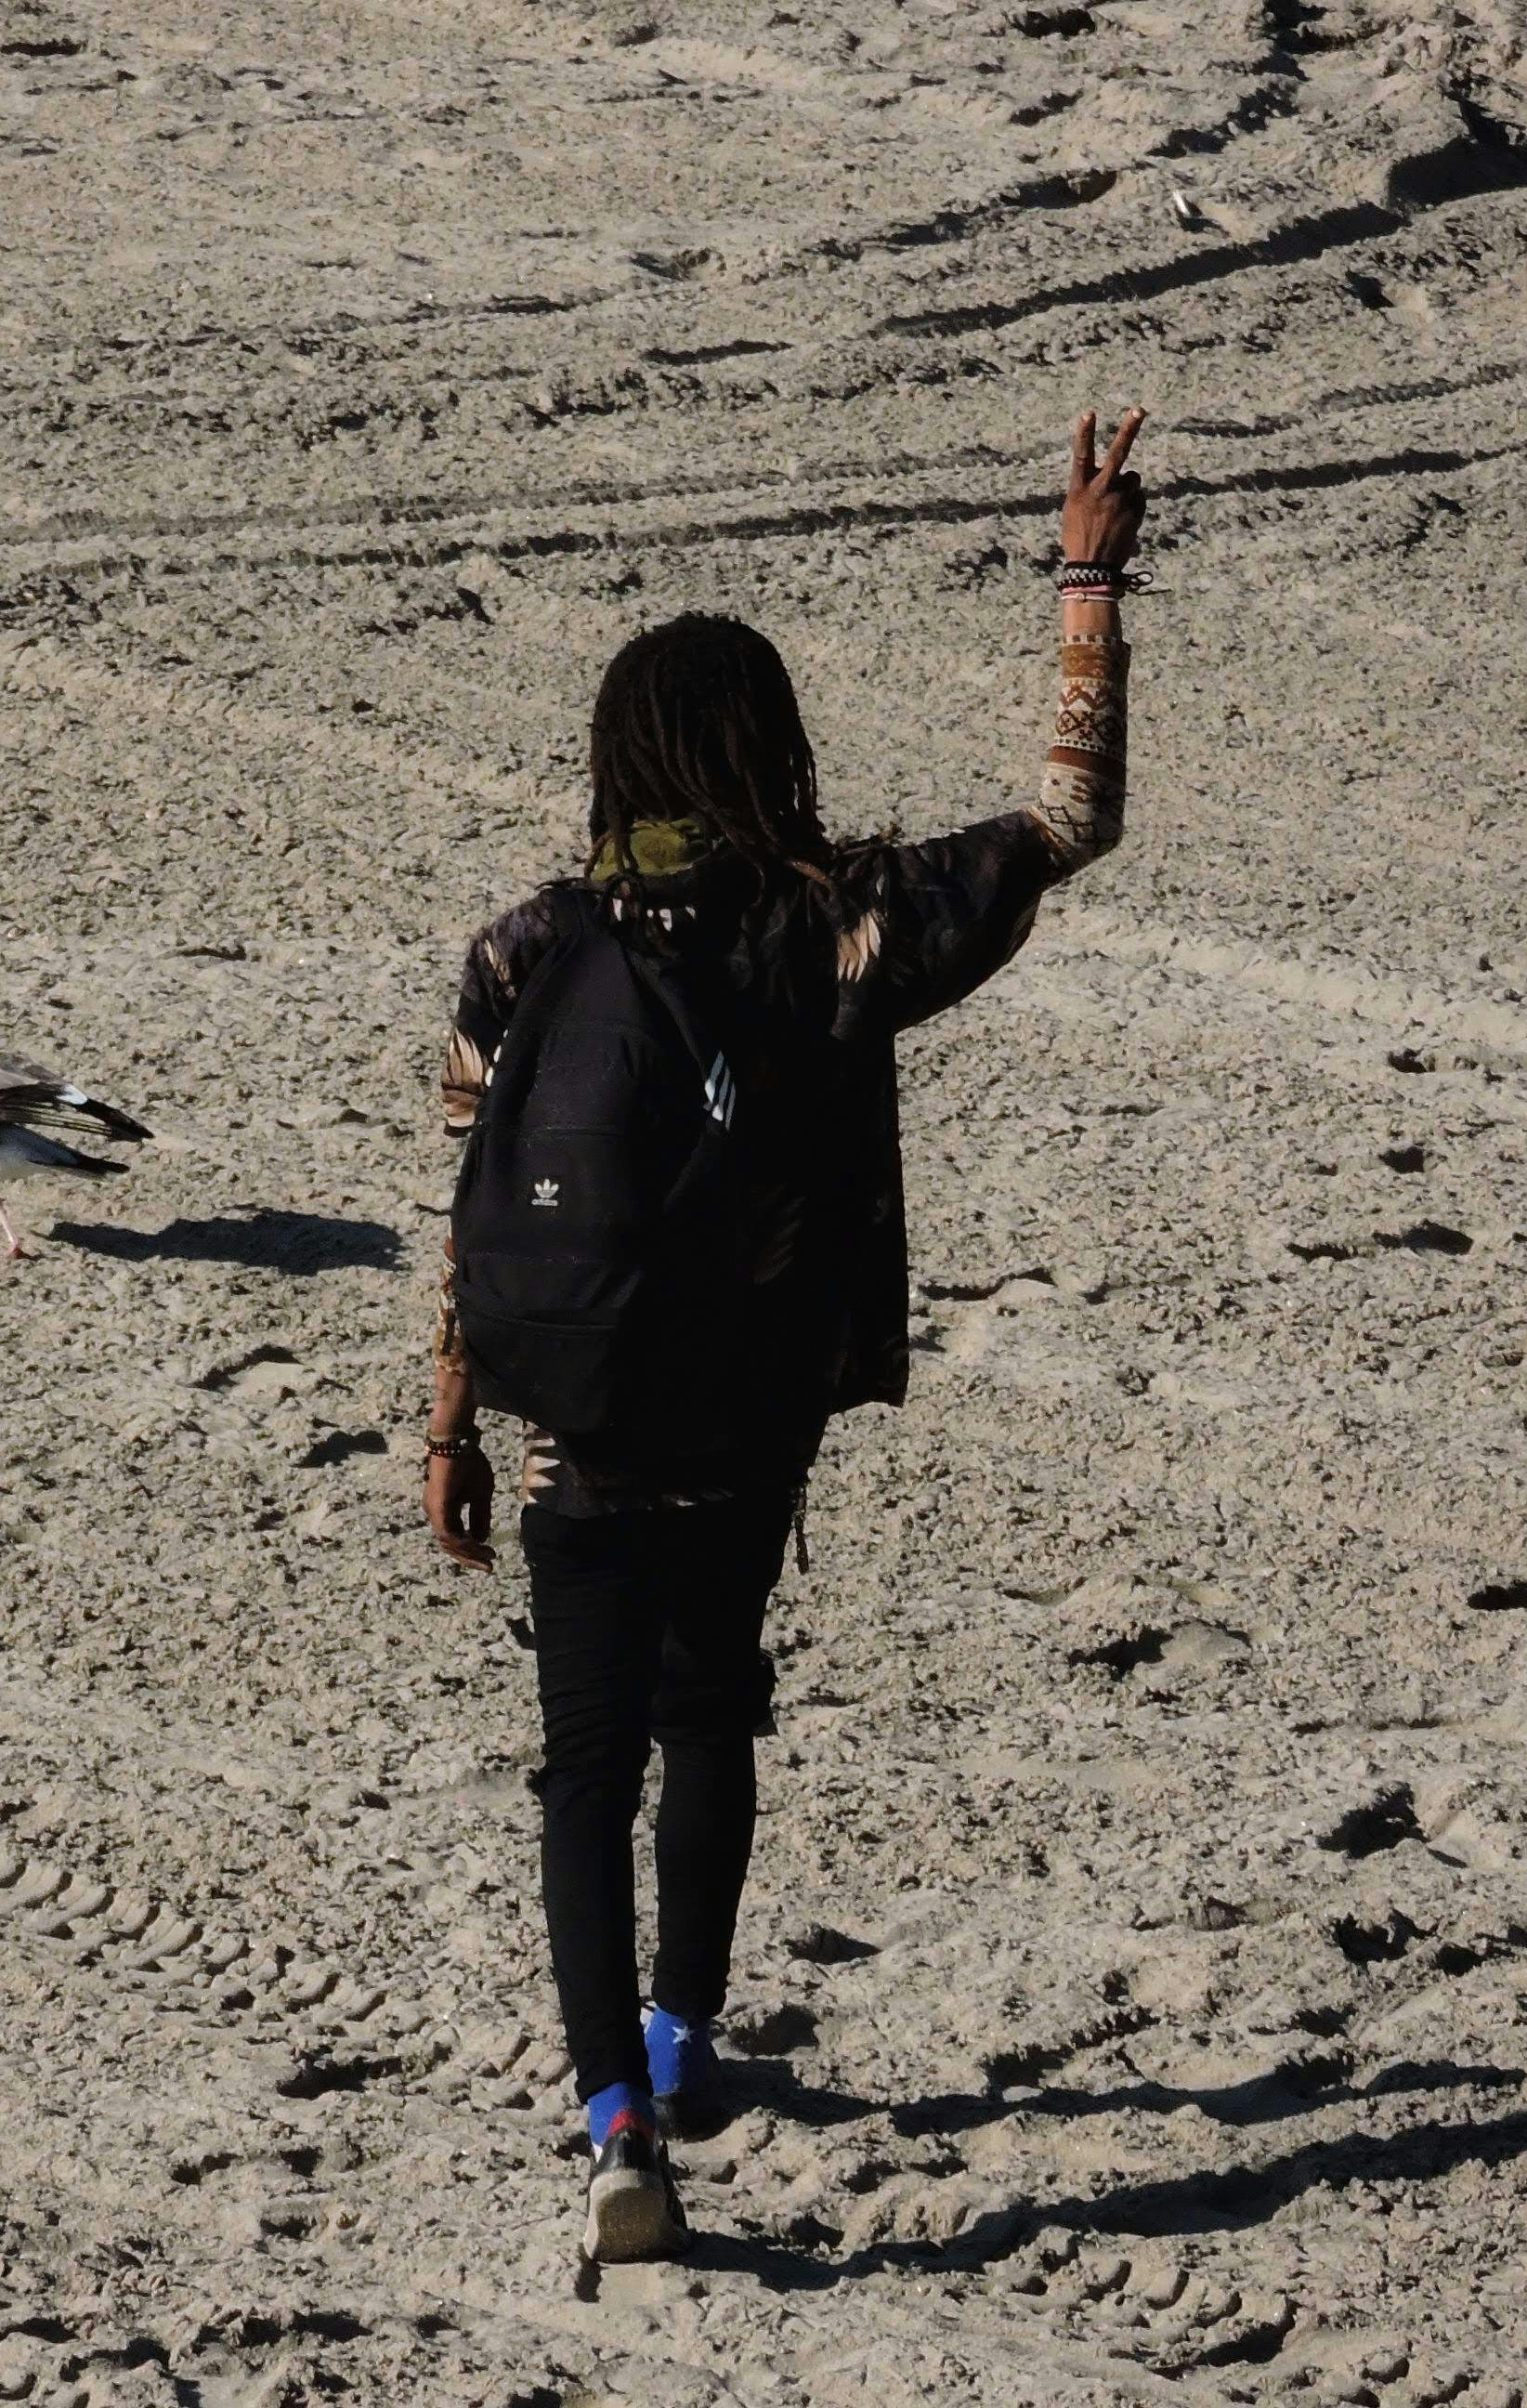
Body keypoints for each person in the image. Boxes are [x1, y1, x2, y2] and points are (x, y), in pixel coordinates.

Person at [424, 409, 1149, 2262]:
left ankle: (616, 2134)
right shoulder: (843, 925)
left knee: (583, 1768)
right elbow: (1072, 819)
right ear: (768, 749)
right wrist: (1086, 576)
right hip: (750, 1426)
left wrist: (448, 1426)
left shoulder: (525, 949)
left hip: (570, 1423)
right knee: (712, 1701)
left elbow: (475, 1192)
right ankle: (683, 2029)